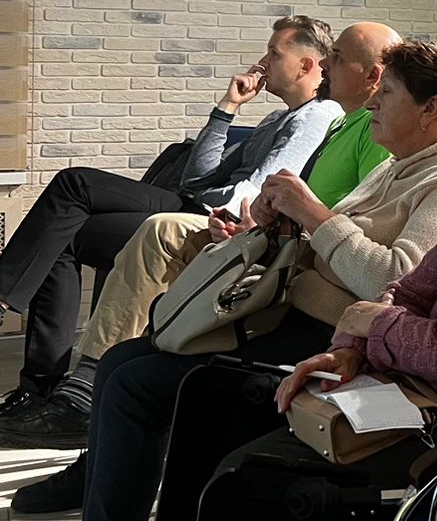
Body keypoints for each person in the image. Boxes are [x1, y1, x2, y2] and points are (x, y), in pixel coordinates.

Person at [14, 39, 437, 518]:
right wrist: (271, 231)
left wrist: (312, 214)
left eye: (389, 92)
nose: (375, 101)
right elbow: (328, 244)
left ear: (430, 109)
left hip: (330, 340)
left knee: (140, 381)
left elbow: (396, 281)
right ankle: (98, 487)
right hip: (289, 315)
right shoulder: (394, 169)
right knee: (121, 360)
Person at [170, 56, 437, 519]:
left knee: (247, 481)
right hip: (430, 402)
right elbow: (411, 291)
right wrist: (351, 349)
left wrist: (374, 326)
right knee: (215, 397)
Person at [0, 23, 401, 449]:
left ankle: (79, 391)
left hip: (234, 225)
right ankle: (46, 388)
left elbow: (285, 198)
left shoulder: (332, 120)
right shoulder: (310, 122)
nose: (325, 65)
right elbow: (201, 176)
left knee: (113, 205)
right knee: (67, 232)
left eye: (275, 52)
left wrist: (248, 213)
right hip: (227, 214)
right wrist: (227, 108)